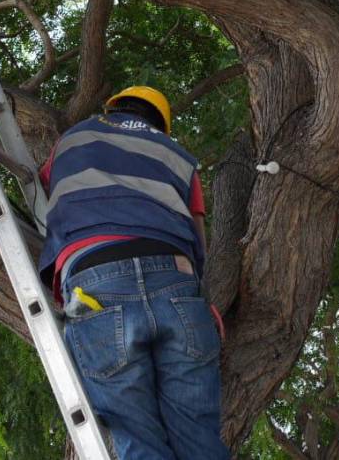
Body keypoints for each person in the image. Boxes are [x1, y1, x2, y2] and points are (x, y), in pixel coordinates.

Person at [37, 86, 229, 460]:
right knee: (200, 442)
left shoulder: (75, 137)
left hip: (96, 279)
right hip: (175, 279)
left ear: (113, 106)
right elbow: (199, 240)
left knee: (138, 442)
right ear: (161, 123)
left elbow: (47, 181)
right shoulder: (178, 156)